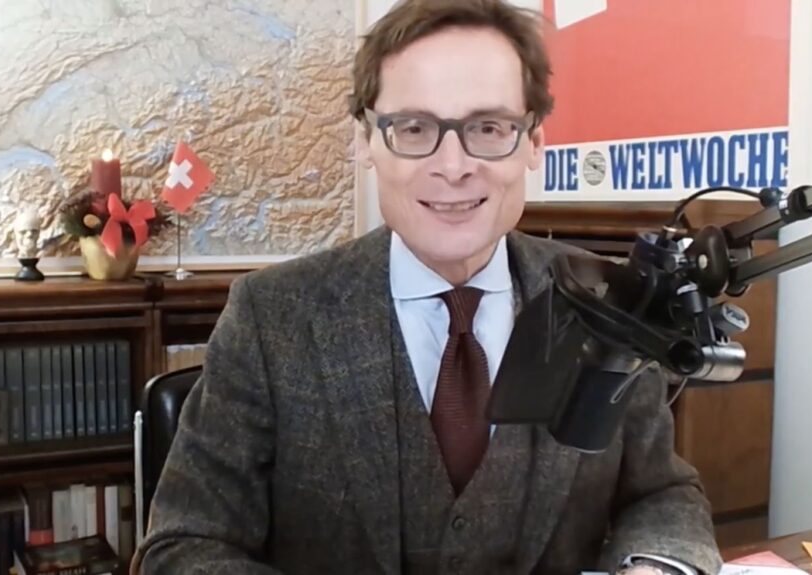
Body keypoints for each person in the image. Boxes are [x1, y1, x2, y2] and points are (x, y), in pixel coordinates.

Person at [139, 0, 720, 573]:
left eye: (488, 128)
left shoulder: (609, 302)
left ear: (534, 143)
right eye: (414, 128)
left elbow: (663, 494)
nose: (453, 165)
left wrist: (655, 568)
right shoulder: (270, 318)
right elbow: (184, 545)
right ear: (366, 141)